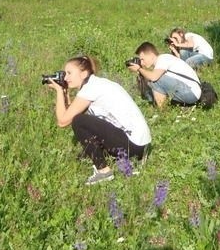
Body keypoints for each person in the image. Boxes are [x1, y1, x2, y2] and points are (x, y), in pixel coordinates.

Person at [46, 55, 151, 186]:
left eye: (69, 73)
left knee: (79, 121)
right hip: (141, 145)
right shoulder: (96, 83)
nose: (65, 78)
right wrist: (65, 93)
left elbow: (63, 121)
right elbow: (71, 112)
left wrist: (58, 91)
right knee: (82, 124)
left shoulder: (90, 89)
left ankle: (103, 171)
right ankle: (124, 163)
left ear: (84, 73)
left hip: (133, 145)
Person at [128, 41, 201, 108]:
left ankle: (163, 113)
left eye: (142, 59)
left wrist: (139, 69)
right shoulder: (161, 63)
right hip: (189, 91)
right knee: (151, 79)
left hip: (191, 92)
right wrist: (140, 73)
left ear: (151, 54)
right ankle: (155, 106)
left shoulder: (163, 58)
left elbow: (153, 78)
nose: (142, 62)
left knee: (156, 80)